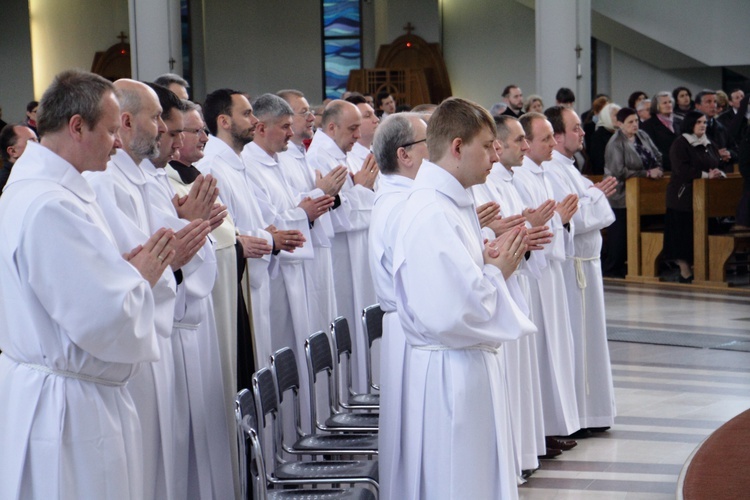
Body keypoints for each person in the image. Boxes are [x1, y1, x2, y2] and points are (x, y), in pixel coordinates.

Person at [0, 69, 175, 499]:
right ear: (77, 127)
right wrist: (141, 277)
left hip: (64, 391)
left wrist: (121, 274)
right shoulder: (51, 205)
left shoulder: (43, 189)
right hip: (69, 408)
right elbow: (103, 318)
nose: (119, 142)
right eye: (112, 130)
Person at [393, 97, 536, 499]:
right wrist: (498, 269)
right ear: (457, 147)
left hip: (465, 363)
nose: (496, 155)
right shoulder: (432, 212)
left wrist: (487, 259)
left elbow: (461, 280)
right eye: (488, 145)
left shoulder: (452, 201)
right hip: (450, 370)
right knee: (459, 481)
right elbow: (452, 311)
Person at [86, 79, 210, 500]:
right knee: (144, 470)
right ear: (125, 121)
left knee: (161, 463)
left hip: (157, 334)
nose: (163, 128)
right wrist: (169, 263)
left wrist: (186, 239)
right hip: (132, 346)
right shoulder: (105, 182)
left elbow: (163, 246)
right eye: (157, 117)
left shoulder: (141, 176)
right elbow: (132, 261)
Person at [166, 99, 243, 496]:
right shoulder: (164, 180)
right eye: (192, 131)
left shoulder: (195, 174)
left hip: (214, 302)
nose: (202, 138)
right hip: (180, 319)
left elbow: (228, 230)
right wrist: (192, 227)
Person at [471, 114, 554, 473]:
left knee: (520, 378)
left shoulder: (504, 179)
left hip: (508, 280)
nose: (519, 147)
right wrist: (500, 234)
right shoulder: (477, 185)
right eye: (517, 140)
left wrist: (521, 233)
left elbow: (501, 229)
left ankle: (524, 450)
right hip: (490, 290)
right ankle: (516, 457)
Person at [196, 88, 281, 378]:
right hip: (238, 284)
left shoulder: (236, 162)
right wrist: (267, 238)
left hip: (253, 279)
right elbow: (224, 235)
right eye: (246, 113)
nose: (255, 120)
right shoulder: (212, 167)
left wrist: (266, 235)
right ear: (224, 121)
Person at [543, 106, 618, 435]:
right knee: (577, 341)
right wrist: (594, 198)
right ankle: (581, 417)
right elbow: (578, 217)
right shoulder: (553, 171)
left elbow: (587, 208)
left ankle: (592, 413)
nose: (583, 133)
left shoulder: (571, 169)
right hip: (573, 270)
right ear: (558, 137)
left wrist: (592, 198)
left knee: (591, 342)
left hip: (587, 266)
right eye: (576, 129)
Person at [369, 112, 429, 499]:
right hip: (414, 328)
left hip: (407, 326)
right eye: (429, 143)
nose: (437, 151)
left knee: (411, 436)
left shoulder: (401, 197)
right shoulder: (404, 205)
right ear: (405, 155)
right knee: (414, 437)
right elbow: (425, 280)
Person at [512, 112, 582, 444]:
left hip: (550, 271)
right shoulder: (522, 177)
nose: (553, 143)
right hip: (534, 276)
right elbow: (530, 226)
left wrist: (561, 222)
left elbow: (547, 222)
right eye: (545, 138)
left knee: (558, 346)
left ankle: (557, 424)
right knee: (542, 351)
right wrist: (556, 222)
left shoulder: (542, 173)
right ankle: (545, 429)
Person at [307, 100, 378, 392]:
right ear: (332, 127)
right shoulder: (319, 157)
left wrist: (360, 191)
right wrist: (362, 190)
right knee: (346, 324)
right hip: (338, 258)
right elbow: (338, 215)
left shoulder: (341, 153)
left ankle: (362, 386)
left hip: (355, 256)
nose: (357, 136)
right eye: (352, 129)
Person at [276, 89, 348, 334]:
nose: (311, 117)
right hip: (300, 259)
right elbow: (289, 207)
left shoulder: (301, 154)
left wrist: (328, 193)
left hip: (317, 252)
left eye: (310, 110)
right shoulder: (281, 160)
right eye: (303, 111)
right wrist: (322, 192)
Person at [602, 107, 663, 278]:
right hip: (620, 194)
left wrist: (656, 169)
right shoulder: (615, 143)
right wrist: (646, 174)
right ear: (620, 124)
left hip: (642, 193)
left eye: (636, 121)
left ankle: (638, 265)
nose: (635, 125)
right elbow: (618, 171)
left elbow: (657, 155)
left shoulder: (642, 136)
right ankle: (613, 268)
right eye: (630, 122)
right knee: (620, 235)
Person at [663, 110, 723, 283]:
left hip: (704, 199)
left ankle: (704, 267)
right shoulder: (681, 143)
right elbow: (681, 170)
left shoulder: (708, 143)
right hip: (682, 197)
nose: (703, 125)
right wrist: (705, 175)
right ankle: (684, 271)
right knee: (682, 236)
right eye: (698, 122)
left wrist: (717, 172)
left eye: (704, 122)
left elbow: (715, 162)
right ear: (690, 124)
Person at [694, 90, 736, 172]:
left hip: (723, 174)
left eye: (715, 102)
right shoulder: (689, 128)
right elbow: (689, 155)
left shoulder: (721, 127)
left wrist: (728, 153)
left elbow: (735, 150)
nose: (713, 105)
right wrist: (716, 155)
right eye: (708, 102)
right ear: (698, 106)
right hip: (700, 177)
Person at [641, 91, 683, 172]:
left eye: (670, 102)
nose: (668, 105)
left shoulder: (680, 121)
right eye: (664, 103)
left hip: (682, 166)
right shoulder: (648, 125)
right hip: (663, 168)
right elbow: (652, 150)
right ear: (657, 106)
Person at [345, 94, 380, 176]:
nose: (376, 119)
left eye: (374, 114)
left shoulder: (378, 152)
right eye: (367, 116)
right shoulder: (348, 160)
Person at [0, 123, 38, 193]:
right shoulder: (6, 183)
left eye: (37, 141)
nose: (39, 146)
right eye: (32, 141)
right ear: (13, 151)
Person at [587, 102, 621, 175]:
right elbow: (598, 163)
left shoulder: (619, 134)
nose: (619, 118)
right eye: (616, 115)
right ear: (607, 117)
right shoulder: (598, 136)